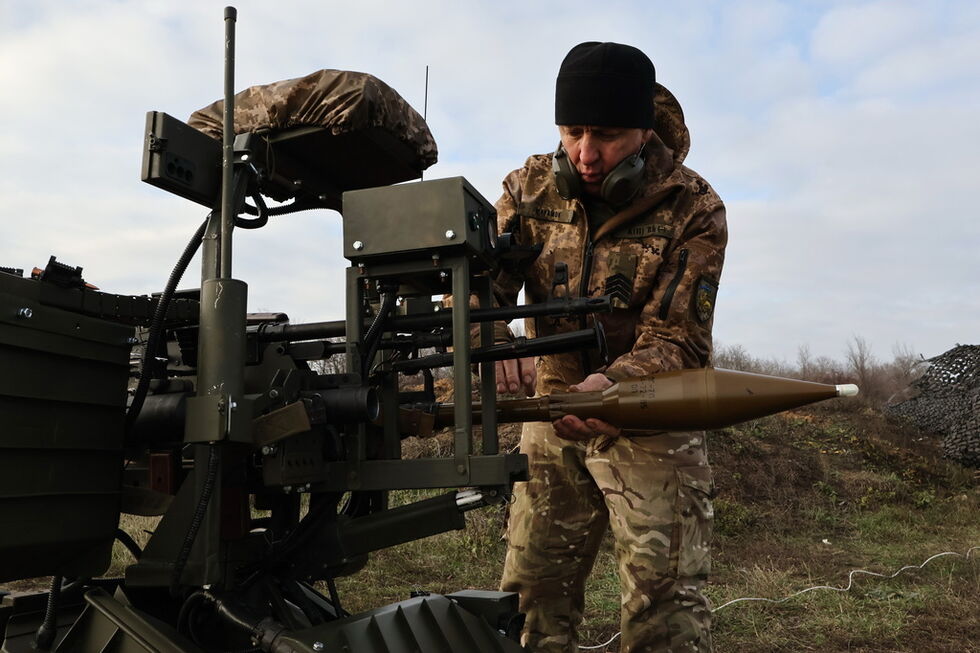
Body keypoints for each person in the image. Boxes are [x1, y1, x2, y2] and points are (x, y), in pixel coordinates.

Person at [492, 42, 727, 652]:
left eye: (609, 136)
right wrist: (493, 337)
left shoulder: (694, 206)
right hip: (549, 418)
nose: (586, 155)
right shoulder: (526, 189)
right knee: (530, 598)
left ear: (644, 132)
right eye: (572, 132)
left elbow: (678, 335)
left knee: (663, 600)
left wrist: (613, 386)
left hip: (651, 417)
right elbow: (470, 292)